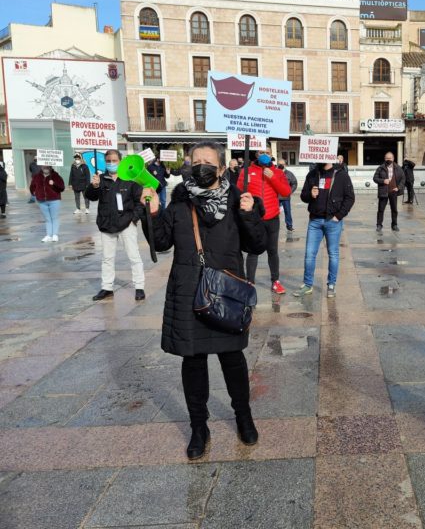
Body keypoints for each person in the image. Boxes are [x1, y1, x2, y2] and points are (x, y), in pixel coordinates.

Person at [141, 141, 266, 460]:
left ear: (222, 168)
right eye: (195, 162)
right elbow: (161, 242)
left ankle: (243, 417)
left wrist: (250, 215)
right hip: (188, 290)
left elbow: (256, 245)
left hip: (226, 292)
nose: (200, 167)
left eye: (208, 162)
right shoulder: (181, 200)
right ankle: (199, 427)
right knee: (193, 361)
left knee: (232, 359)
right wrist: (152, 212)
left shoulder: (238, 199)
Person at [85, 149, 146, 301]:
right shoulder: (101, 178)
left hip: (126, 223)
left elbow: (140, 202)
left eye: (114, 160)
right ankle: (107, 288)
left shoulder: (130, 179)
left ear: (120, 161)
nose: (111, 163)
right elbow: (91, 197)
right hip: (106, 224)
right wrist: (94, 186)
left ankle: (139, 287)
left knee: (134, 256)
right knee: (107, 258)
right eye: (108, 161)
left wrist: (133, 218)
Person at [293, 161, 356, 298]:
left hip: (332, 221)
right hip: (315, 221)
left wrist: (339, 216)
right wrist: (310, 194)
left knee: (333, 254)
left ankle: (331, 285)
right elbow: (303, 196)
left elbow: (350, 198)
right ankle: (307, 284)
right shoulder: (313, 174)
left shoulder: (341, 175)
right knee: (310, 254)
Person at [237, 152, 291, 294]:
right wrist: (244, 183)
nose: (264, 155)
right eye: (262, 153)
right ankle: (250, 282)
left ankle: (275, 281)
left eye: (267, 153)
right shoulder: (246, 171)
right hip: (254, 218)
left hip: (272, 218)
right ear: (257, 154)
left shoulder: (278, 172)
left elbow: (286, 192)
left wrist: (273, 178)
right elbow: (238, 192)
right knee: (252, 252)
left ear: (271, 154)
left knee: (272, 251)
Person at [30, 165, 65, 242]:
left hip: (54, 200)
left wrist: (54, 183)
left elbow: (62, 187)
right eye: (44, 166)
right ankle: (49, 235)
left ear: (50, 167)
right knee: (47, 219)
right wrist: (35, 193)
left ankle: (55, 235)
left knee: (54, 217)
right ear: (41, 166)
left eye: (47, 166)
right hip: (42, 201)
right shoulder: (37, 176)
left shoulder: (56, 176)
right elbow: (32, 187)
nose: (45, 167)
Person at [373, 152, 405, 232]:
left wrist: (398, 187)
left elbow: (403, 179)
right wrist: (383, 181)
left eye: (390, 158)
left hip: (393, 192)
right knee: (381, 209)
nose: (388, 160)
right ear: (384, 159)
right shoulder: (380, 168)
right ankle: (379, 225)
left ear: (393, 159)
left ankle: (394, 225)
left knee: (394, 209)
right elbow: (375, 178)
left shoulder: (398, 168)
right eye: (387, 158)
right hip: (383, 191)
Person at [277, 159, 297, 232]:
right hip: (276, 197)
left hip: (285, 197)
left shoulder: (289, 174)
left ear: (285, 165)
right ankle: (275, 226)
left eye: (282, 164)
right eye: (279, 164)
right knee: (275, 212)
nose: (281, 165)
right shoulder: (274, 173)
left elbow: (294, 183)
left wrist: (290, 191)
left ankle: (289, 226)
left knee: (287, 212)